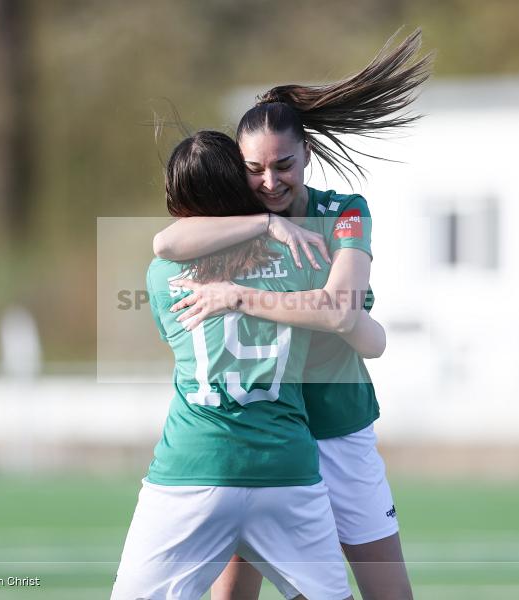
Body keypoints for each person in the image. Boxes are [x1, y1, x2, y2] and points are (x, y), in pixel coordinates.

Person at [152, 29, 431, 600]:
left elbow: (343, 314)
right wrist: (264, 223)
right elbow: (164, 243)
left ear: (306, 153)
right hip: (267, 435)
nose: (269, 182)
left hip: (339, 426)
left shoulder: (344, 213)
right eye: (254, 168)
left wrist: (240, 295)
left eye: (283, 165)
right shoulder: (241, 217)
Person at [111, 131, 386, 599]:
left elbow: (167, 244)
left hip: (192, 467)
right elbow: (366, 332)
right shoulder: (304, 258)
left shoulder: (160, 276)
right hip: (287, 467)